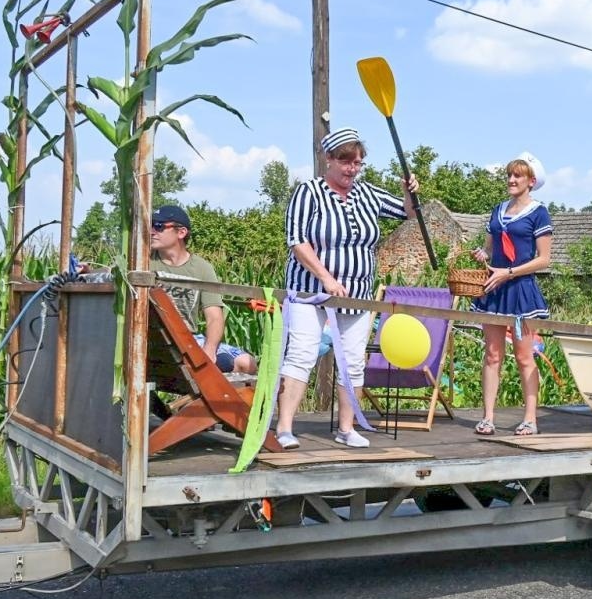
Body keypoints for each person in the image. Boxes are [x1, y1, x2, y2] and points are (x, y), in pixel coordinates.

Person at [273, 127, 418, 450]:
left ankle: (346, 428)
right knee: (302, 354)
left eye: (357, 163)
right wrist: (325, 276)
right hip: (310, 292)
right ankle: (284, 428)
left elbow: (409, 213)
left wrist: (409, 192)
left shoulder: (368, 194)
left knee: (353, 362)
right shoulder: (309, 192)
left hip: (357, 295)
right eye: (345, 161)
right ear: (329, 159)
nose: (351, 169)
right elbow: (297, 240)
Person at [470, 153, 553, 437]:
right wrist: (482, 255)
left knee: (524, 356)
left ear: (531, 181)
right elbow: (490, 249)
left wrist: (510, 272)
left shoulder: (539, 213)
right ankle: (487, 417)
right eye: (509, 175)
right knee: (492, 354)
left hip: (520, 290)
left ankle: (530, 419)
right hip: (495, 288)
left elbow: (544, 259)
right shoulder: (498, 210)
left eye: (517, 175)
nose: (511, 179)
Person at [148, 204, 256, 375]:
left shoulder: (202, 268)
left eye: (159, 226)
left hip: (188, 339)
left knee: (246, 364)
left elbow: (214, 317)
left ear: (181, 232)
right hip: (153, 340)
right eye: (151, 225)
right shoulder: (143, 262)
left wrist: (209, 351)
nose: (152, 231)